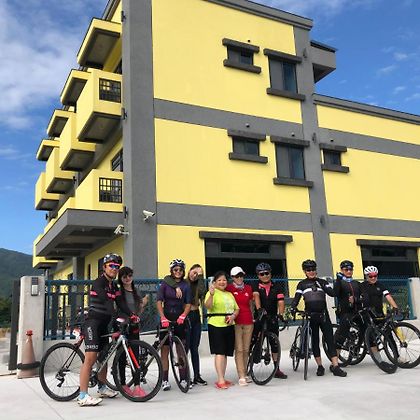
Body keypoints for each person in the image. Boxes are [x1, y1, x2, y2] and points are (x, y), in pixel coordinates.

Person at [78, 253, 133, 407]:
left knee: (103, 357)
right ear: (104, 267)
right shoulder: (98, 283)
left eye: (117, 266)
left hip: (103, 325)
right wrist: (116, 317)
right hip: (92, 323)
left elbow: (120, 302)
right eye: (111, 266)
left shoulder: (113, 286)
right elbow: (107, 302)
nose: (114, 269)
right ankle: (83, 395)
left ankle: (102, 388)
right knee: (90, 358)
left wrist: (132, 315)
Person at [290, 260, 347, 377]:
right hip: (311, 316)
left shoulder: (322, 282)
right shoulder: (302, 284)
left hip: (323, 315)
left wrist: (338, 281)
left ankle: (336, 366)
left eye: (313, 269)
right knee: (315, 341)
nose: (311, 272)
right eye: (308, 270)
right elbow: (296, 298)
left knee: (330, 340)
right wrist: (293, 307)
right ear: (305, 271)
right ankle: (320, 366)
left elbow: (333, 293)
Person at [163, 263, 208, 385]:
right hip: (185, 315)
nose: (195, 275)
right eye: (194, 272)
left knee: (194, 348)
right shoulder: (183, 283)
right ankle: (185, 376)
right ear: (189, 271)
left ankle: (197, 376)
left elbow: (202, 293)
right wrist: (176, 287)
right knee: (184, 347)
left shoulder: (199, 285)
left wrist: (200, 278)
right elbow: (167, 278)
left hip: (196, 316)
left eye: (199, 274)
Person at [156, 259, 191, 391]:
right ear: (171, 271)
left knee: (180, 349)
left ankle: (183, 378)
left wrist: (183, 315)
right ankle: (165, 380)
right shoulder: (165, 283)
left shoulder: (185, 285)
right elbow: (159, 301)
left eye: (180, 270)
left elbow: (188, 303)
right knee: (165, 350)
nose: (178, 272)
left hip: (179, 318)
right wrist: (162, 317)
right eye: (175, 270)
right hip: (167, 318)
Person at [117, 266, 149, 397]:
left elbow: (139, 309)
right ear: (120, 278)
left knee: (135, 356)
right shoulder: (119, 292)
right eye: (124, 276)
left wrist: (142, 306)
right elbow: (118, 308)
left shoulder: (137, 291)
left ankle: (137, 386)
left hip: (134, 326)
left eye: (129, 275)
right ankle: (123, 384)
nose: (127, 279)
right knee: (121, 356)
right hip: (121, 326)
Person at [204, 271, 239, 389]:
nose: (222, 282)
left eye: (224, 280)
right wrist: (211, 294)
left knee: (225, 353)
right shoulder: (211, 292)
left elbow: (236, 309)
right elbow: (208, 306)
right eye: (219, 280)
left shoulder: (229, 294)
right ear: (214, 282)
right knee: (219, 352)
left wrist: (233, 316)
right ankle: (220, 379)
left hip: (229, 324)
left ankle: (222, 377)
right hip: (216, 325)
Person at [252, 262, 287, 379]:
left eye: (267, 273)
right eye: (261, 274)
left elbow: (281, 301)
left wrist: (281, 314)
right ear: (258, 275)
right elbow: (256, 296)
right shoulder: (255, 285)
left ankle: (276, 369)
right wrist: (259, 309)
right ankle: (248, 366)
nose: (265, 276)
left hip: (272, 317)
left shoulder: (277, 286)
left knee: (275, 344)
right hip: (260, 317)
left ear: (270, 274)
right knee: (254, 341)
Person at [226, 266, 254, 386]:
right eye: (237, 276)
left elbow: (250, 303)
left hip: (248, 321)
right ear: (232, 277)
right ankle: (241, 375)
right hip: (236, 322)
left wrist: (253, 317)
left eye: (241, 275)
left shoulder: (248, 288)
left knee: (246, 349)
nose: (239, 278)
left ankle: (245, 372)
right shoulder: (229, 288)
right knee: (239, 349)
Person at [333, 260, 362, 358]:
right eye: (346, 270)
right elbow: (335, 293)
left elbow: (364, 296)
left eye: (351, 269)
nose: (349, 271)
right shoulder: (340, 283)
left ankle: (357, 348)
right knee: (342, 335)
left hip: (357, 311)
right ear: (342, 270)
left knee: (366, 329)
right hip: (345, 312)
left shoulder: (356, 283)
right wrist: (338, 280)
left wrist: (356, 300)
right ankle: (335, 361)